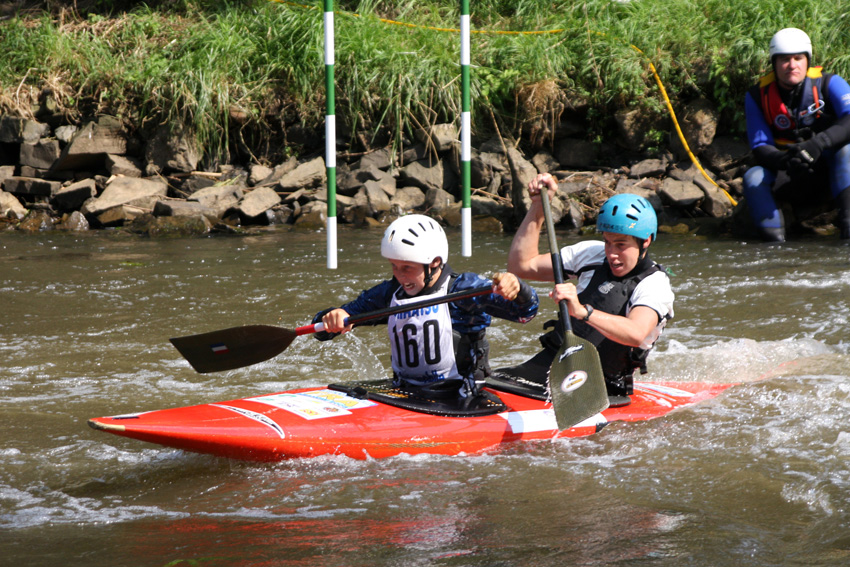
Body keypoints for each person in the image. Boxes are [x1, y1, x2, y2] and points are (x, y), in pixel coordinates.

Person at [314, 214, 539, 399]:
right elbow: (323, 330)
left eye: (407, 268)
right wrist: (332, 317)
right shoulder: (390, 293)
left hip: (462, 395)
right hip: (406, 391)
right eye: (394, 266)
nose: (400, 276)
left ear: (435, 262)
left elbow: (525, 313)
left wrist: (517, 288)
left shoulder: (463, 289)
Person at [507, 173, 674, 402]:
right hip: (549, 365)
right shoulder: (590, 254)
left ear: (645, 241)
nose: (611, 254)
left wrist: (583, 312)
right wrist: (537, 206)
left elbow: (636, 333)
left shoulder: (655, 284)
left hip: (602, 385)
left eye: (621, 245)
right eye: (607, 242)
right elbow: (522, 265)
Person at [743, 27, 850, 242]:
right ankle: (774, 248)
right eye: (784, 59)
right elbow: (760, 146)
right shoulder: (757, 96)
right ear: (774, 63)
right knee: (753, 176)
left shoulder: (830, 83)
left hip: (830, 168)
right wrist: (784, 159)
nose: (792, 65)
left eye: (798, 58)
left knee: (848, 152)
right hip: (790, 170)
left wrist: (820, 143)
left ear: (807, 60)